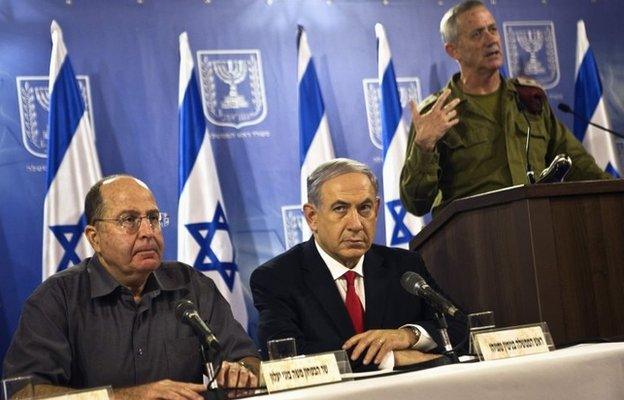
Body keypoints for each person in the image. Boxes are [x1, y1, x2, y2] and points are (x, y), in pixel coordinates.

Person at [3, 175, 260, 400]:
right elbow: (25, 393)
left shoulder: (191, 286)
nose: (148, 231)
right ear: (95, 237)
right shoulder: (57, 299)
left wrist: (241, 372)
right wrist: (128, 397)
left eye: (153, 218)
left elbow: (248, 361)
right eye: (129, 220)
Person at [400, 0, 611, 216]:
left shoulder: (528, 99)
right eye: (477, 34)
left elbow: (577, 163)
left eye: (492, 29)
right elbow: (416, 204)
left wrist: (615, 192)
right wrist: (424, 146)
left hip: (539, 225)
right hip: (474, 237)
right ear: (453, 50)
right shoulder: (436, 113)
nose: (490, 39)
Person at [251, 159, 465, 371]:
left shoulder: (404, 266)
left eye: (364, 208)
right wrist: (388, 359)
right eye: (340, 209)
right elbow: (285, 357)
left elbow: (461, 326)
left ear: (377, 209)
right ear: (312, 217)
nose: (355, 224)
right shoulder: (277, 277)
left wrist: (409, 335)